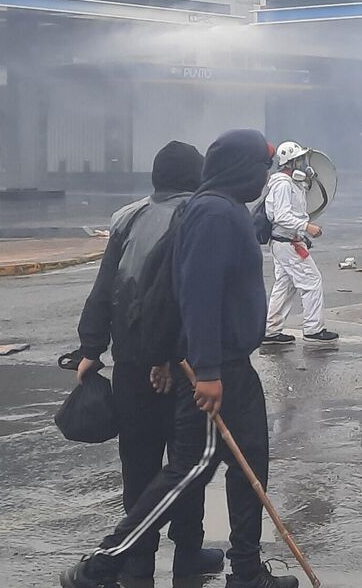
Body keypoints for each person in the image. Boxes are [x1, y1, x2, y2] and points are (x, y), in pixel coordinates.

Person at [61, 129, 299, 588]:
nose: (266, 176)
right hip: (210, 367)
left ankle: (243, 569)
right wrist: (199, 367)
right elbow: (194, 294)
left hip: (214, 362)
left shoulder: (216, 210)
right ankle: (106, 563)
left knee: (242, 458)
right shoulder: (209, 213)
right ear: (239, 169)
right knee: (187, 466)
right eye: (261, 167)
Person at [70, 141, 223, 582]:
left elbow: (103, 289)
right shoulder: (199, 217)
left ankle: (136, 556)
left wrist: (89, 349)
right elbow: (188, 297)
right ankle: (189, 552)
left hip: (130, 365)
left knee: (138, 460)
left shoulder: (127, 218)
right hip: (183, 362)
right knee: (186, 463)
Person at [260, 141, 337, 347]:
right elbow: (282, 216)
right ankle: (314, 329)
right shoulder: (284, 185)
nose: (304, 163)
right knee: (312, 281)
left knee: (284, 286)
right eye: (300, 159)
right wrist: (307, 227)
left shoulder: (290, 183)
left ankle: (271, 331)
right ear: (291, 162)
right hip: (287, 243)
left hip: (287, 242)